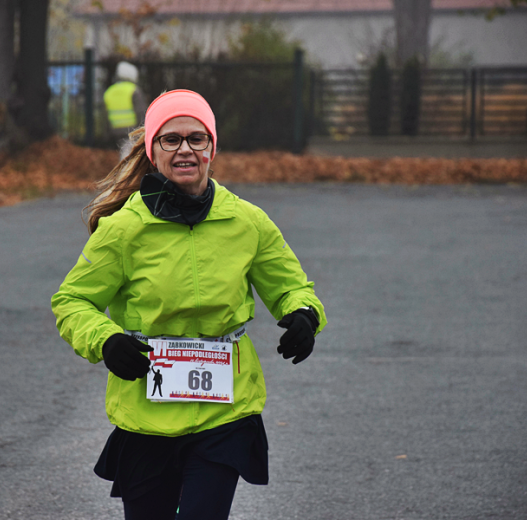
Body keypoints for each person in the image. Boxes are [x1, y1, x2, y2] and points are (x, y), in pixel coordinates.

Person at [51, 89, 326, 520]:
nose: (185, 149)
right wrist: (105, 341)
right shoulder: (123, 230)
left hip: (226, 410)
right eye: (171, 139)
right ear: (152, 150)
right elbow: (73, 301)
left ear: (211, 148)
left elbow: (291, 287)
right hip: (146, 412)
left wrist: (305, 315)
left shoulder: (247, 222)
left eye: (197, 139)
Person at [103, 61, 147, 158]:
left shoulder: (109, 92)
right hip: (131, 130)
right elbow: (140, 112)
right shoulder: (134, 90)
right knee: (128, 155)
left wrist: (106, 134)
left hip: (114, 131)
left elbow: (105, 115)